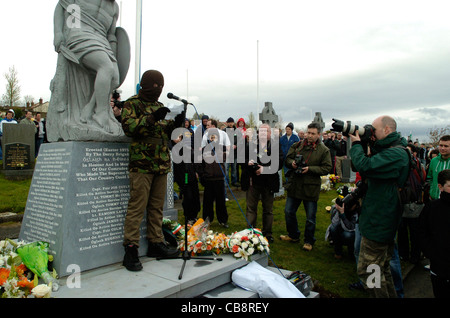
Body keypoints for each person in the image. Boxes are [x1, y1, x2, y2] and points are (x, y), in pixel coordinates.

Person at [121, 70, 184, 271]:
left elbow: (167, 132)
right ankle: (131, 249)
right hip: (141, 164)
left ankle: (156, 243)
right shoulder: (132, 103)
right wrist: (151, 118)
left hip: (161, 163)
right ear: (146, 85)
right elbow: (129, 127)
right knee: (137, 207)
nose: (158, 90)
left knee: (157, 207)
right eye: (155, 86)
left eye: (161, 87)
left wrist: (177, 123)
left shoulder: (160, 106)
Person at [348, 115, 409, 298]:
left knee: (369, 270)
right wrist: (367, 142)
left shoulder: (396, 154)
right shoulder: (389, 149)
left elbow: (364, 166)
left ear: (387, 130)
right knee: (382, 269)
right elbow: (360, 165)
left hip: (380, 222)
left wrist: (357, 145)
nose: (371, 133)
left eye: (374, 130)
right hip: (378, 219)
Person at [280, 122, 332, 251]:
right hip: (295, 184)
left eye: (313, 133)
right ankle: (293, 235)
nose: (309, 135)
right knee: (288, 212)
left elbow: (327, 168)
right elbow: (287, 158)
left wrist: (310, 169)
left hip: (310, 187)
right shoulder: (297, 145)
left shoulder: (323, 150)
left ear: (318, 134)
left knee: (310, 217)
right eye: (308, 132)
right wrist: (292, 163)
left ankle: (309, 241)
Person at [241, 124, 283, 243]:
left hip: (269, 183)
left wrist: (263, 169)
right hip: (252, 182)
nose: (263, 134)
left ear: (270, 133)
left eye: (266, 131)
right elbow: (241, 160)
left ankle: (267, 233)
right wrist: (248, 163)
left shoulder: (275, 146)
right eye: (261, 131)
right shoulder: (251, 145)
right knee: (251, 209)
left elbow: (279, 162)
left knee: (268, 209)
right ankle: (250, 233)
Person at [418, 169, 450, 298]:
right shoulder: (432, 208)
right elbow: (422, 232)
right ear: (440, 187)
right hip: (439, 267)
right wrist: (430, 252)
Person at [198, 119, 230, 228]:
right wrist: (202, 174)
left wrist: (221, 153)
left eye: (208, 125)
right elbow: (201, 153)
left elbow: (228, 150)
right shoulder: (205, 136)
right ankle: (207, 220)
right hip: (208, 176)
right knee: (207, 201)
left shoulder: (223, 135)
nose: (207, 127)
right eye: (206, 126)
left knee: (221, 201)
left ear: (213, 126)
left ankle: (223, 220)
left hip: (219, 176)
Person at [426, 135, 450, 200]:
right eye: (441, 145)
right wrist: (432, 191)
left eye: (446, 146)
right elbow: (429, 178)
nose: (442, 148)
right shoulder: (434, 161)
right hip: (435, 199)